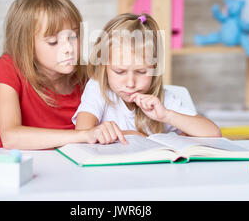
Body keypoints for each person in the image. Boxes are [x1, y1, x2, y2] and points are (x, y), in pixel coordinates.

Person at [0, 0, 118, 149]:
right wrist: (84, 135)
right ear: (26, 46)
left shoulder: (86, 76)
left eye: (73, 36)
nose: (69, 48)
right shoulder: (10, 68)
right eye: (53, 41)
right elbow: (10, 138)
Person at [73, 13, 221, 144]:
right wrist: (132, 135)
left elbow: (214, 133)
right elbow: (83, 133)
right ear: (103, 66)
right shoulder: (98, 89)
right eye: (120, 72)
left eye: (141, 72)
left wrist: (167, 115)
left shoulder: (162, 100)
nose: (130, 83)